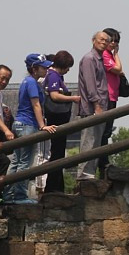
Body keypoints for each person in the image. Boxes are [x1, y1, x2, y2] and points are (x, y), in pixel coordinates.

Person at [4, 54, 57, 204]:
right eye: (43, 66)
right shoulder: (32, 83)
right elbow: (36, 105)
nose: (46, 69)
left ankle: (8, 195)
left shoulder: (26, 81)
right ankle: (20, 195)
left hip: (20, 124)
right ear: (34, 68)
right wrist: (42, 126)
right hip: (28, 124)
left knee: (16, 161)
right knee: (24, 163)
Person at [42, 51, 81, 192]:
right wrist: (73, 98)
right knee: (57, 152)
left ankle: (57, 185)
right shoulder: (53, 75)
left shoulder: (56, 75)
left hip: (59, 118)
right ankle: (53, 187)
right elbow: (54, 95)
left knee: (59, 152)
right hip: (56, 118)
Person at [76, 31, 112, 179]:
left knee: (96, 143)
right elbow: (91, 86)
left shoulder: (99, 59)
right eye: (101, 39)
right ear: (93, 40)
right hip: (92, 109)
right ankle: (84, 175)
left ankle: (89, 173)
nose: (103, 42)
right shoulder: (89, 59)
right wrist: (97, 106)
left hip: (101, 106)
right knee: (89, 142)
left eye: (106, 40)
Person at [97, 28, 124, 172]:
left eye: (116, 41)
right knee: (104, 131)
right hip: (106, 96)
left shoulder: (110, 56)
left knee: (107, 131)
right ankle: (102, 162)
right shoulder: (106, 56)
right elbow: (118, 69)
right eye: (111, 40)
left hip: (112, 96)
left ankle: (104, 161)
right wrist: (117, 54)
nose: (113, 43)